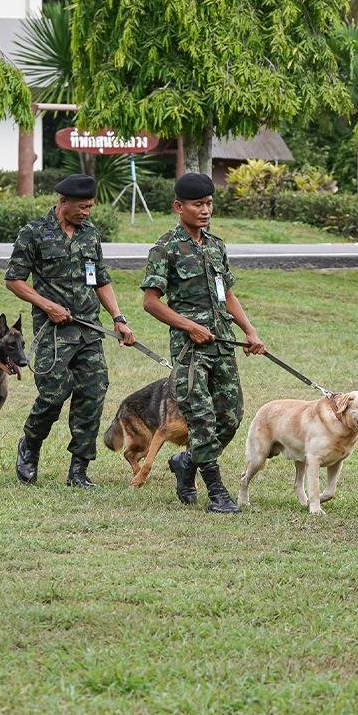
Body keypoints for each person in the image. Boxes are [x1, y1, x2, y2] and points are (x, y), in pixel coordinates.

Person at [141, 172, 266, 514]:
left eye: (209, 203)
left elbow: (227, 295)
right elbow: (151, 301)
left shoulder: (215, 245)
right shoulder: (165, 248)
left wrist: (249, 331)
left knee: (231, 416)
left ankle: (187, 462)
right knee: (201, 417)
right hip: (190, 350)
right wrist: (188, 325)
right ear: (178, 207)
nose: (206, 210)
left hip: (223, 344)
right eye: (198, 204)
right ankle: (217, 493)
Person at [5, 174, 134, 488]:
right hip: (53, 333)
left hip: (89, 331)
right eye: (83, 206)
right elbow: (14, 280)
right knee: (52, 395)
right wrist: (46, 304)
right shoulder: (34, 233)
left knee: (92, 394)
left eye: (90, 206)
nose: (87, 212)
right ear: (63, 202)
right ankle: (30, 447)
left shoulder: (90, 234)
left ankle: (78, 468)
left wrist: (118, 317)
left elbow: (100, 280)